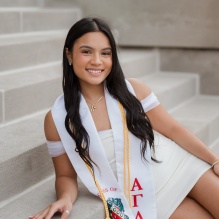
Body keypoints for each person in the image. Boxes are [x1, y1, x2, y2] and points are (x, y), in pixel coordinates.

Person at [29, 17, 219, 219]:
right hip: (150, 198)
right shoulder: (58, 119)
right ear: (69, 54)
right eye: (86, 51)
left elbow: (173, 130)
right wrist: (65, 198)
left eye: (105, 53)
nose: (96, 60)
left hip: (184, 168)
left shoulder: (133, 90)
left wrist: (214, 161)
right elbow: (65, 175)